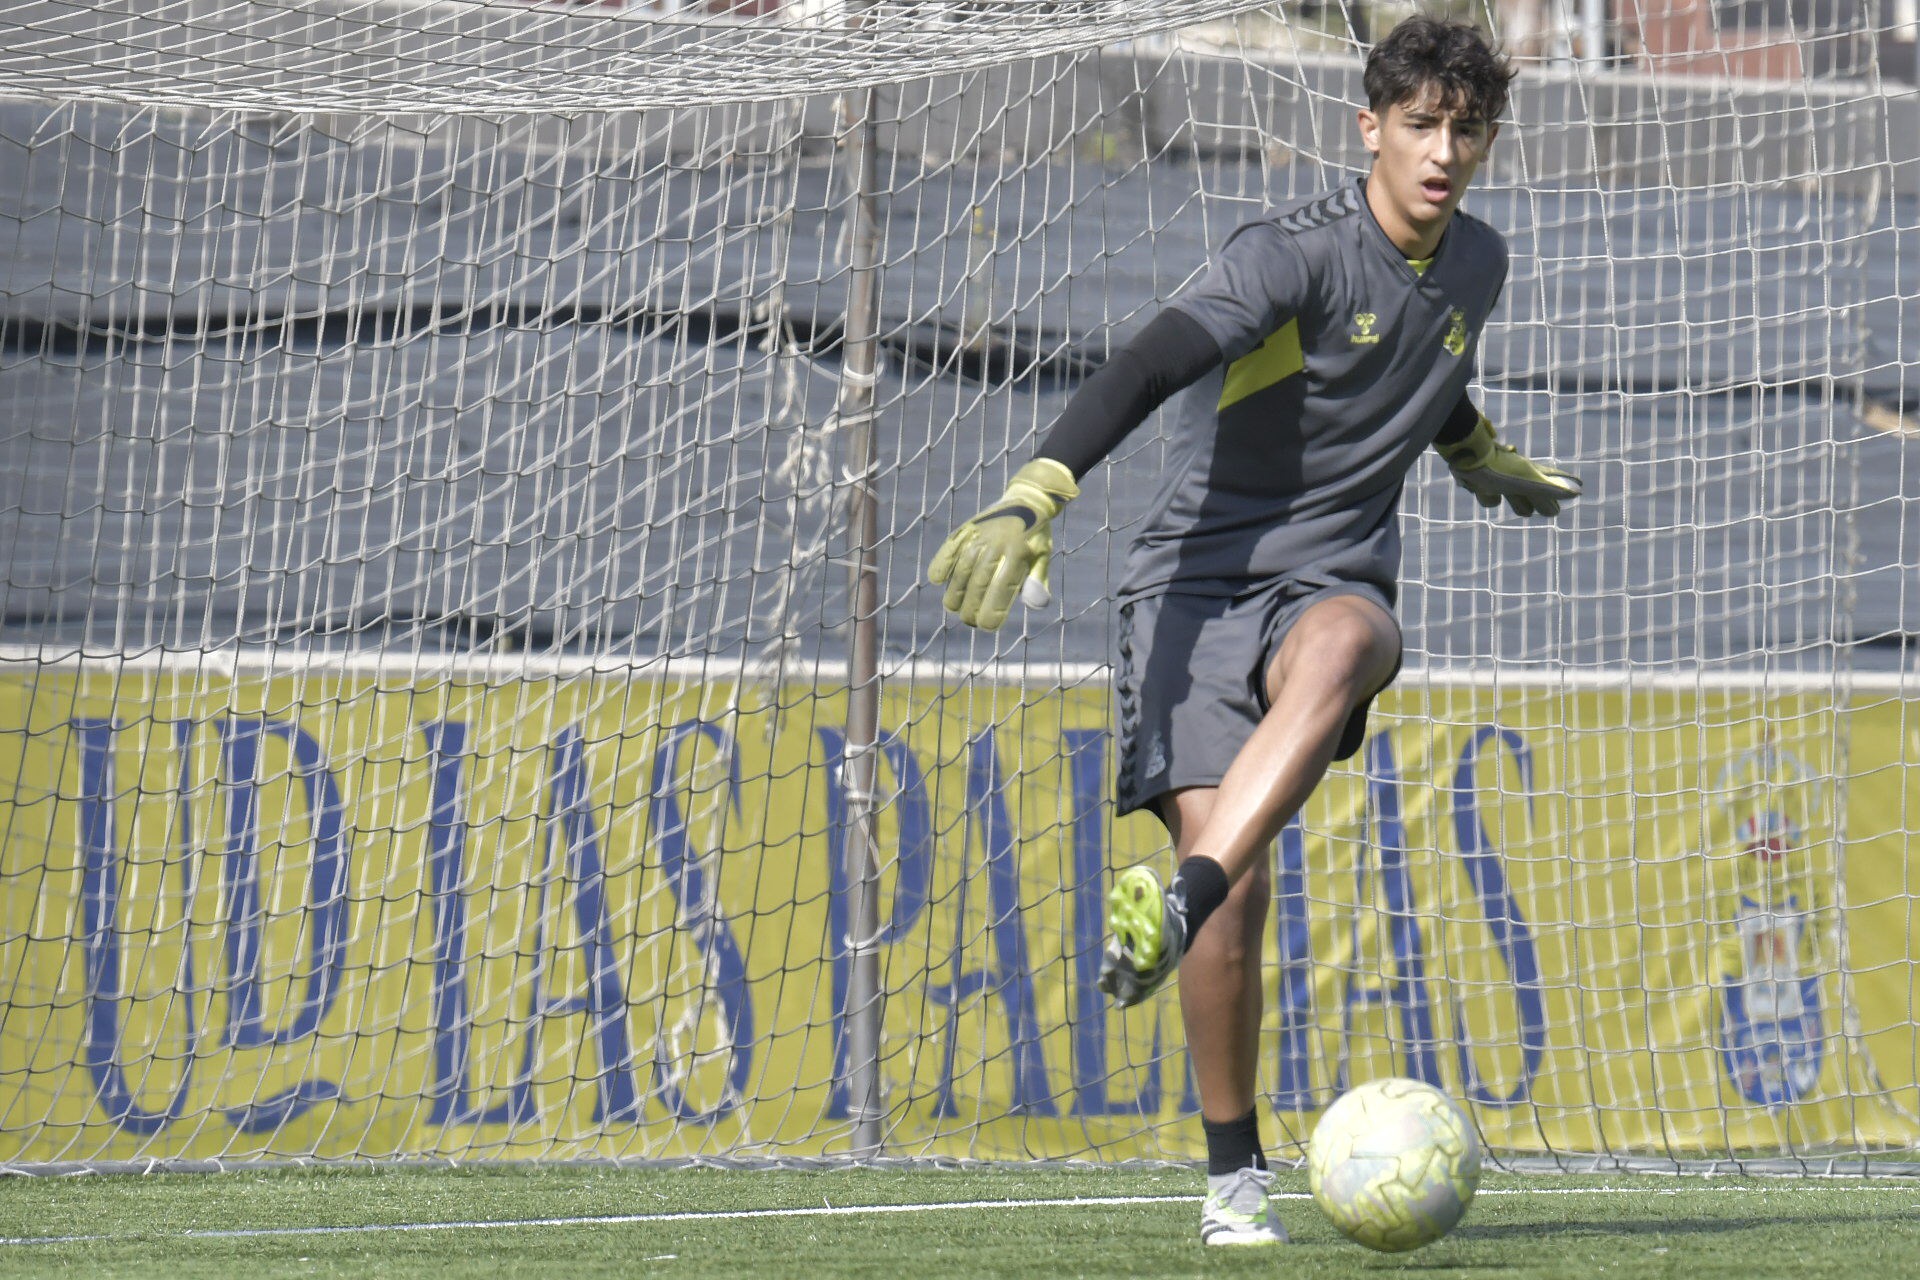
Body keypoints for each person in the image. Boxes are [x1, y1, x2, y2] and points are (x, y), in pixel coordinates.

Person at [928, 14, 1581, 1247]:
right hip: (1194, 589)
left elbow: (1421, 366)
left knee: (1346, 642)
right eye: (1422, 125)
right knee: (1237, 896)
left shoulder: (1479, 263)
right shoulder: (1290, 255)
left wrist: (1478, 449)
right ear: (1370, 130)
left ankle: (1170, 904)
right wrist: (1039, 487)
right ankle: (1235, 1180)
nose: (1445, 150)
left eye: (1468, 129)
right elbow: (1156, 356)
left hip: (1328, 581)